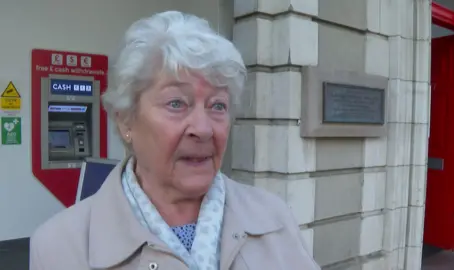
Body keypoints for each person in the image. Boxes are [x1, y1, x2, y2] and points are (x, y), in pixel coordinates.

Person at [29, 11, 321, 270]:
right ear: (125, 118)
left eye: (217, 105)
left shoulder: (273, 217)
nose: (203, 129)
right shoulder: (58, 247)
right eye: (177, 103)